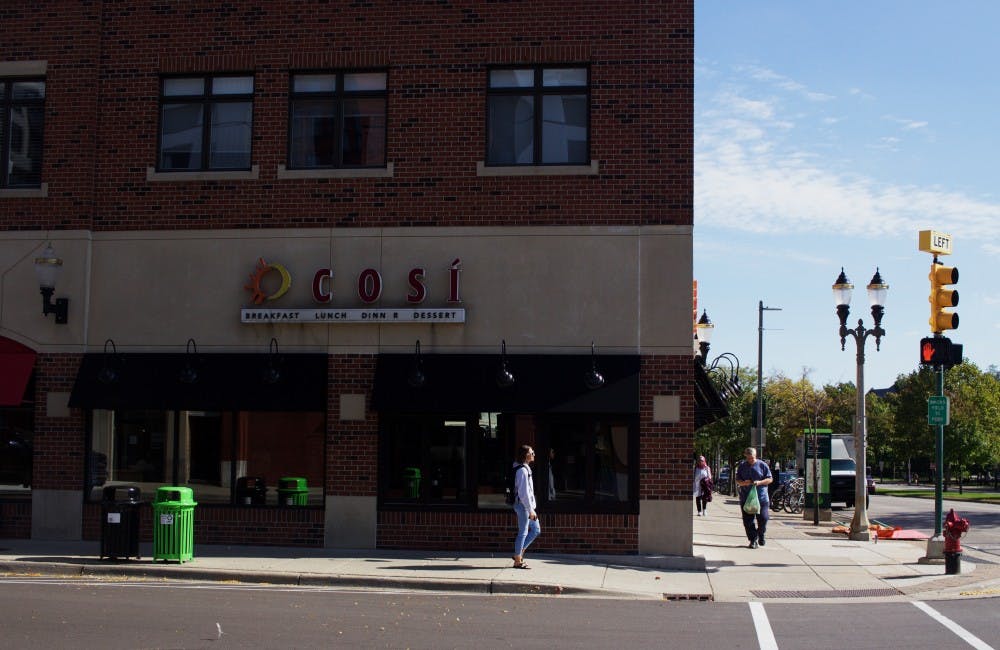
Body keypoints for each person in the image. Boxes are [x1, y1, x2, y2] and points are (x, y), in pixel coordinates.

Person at [736, 446, 773, 548]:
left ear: (755, 456)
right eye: (748, 458)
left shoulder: (762, 465)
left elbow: (770, 479)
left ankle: (761, 533)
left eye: (752, 458)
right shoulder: (742, 466)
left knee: (764, 518)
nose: (750, 460)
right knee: (748, 521)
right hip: (746, 498)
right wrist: (744, 483)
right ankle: (753, 540)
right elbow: (738, 480)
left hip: (761, 498)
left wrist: (760, 482)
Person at [512, 445, 540, 569]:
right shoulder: (522, 471)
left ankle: (519, 553)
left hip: (526, 506)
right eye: (531, 452)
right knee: (523, 532)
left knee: (536, 530)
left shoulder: (525, 469)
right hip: (523, 506)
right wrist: (530, 510)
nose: (533, 454)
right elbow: (524, 493)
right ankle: (518, 561)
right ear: (526, 455)